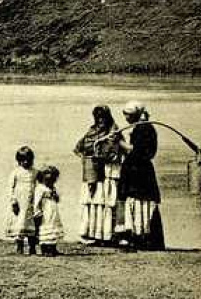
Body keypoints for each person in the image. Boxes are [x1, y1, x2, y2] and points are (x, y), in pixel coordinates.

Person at [112, 101, 165, 250]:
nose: (126, 118)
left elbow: (136, 151)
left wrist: (119, 142)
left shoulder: (144, 129)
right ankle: (139, 235)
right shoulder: (141, 127)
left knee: (139, 201)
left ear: (136, 114)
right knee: (136, 202)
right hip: (137, 170)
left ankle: (140, 236)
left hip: (139, 171)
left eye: (128, 115)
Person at [74, 105, 124, 245]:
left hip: (107, 173)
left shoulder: (114, 131)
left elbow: (117, 153)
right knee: (92, 203)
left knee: (106, 203)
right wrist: (87, 160)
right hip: (92, 172)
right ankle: (91, 234)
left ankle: (107, 235)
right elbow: (78, 148)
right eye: (98, 117)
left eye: (103, 117)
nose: (100, 120)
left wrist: (106, 157)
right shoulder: (91, 131)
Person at [4, 146, 38, 255]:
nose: (26, 162)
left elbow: (40, 185)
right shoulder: (16, 172)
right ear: (19, 160)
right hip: (19, 202)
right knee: (19, 223)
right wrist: (13, 201)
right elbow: (10, 187)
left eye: (28, 160)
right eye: (23, 160)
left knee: (32, 224)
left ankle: (32, 247)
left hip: (31, 202)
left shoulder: (35, 172)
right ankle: (20, 246)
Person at [33, 165, 64, 256]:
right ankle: (45, 249)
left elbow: (57, 200)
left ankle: (53, 248)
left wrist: (55, 195)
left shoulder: (53, 188)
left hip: (53, 211)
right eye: (47, 180)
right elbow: (36, 201)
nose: (49, 182)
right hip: (45, 212)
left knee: (53, 228)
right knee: (45, 228)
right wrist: (37, 211)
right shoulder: (40, 188)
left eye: (52, 180)